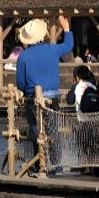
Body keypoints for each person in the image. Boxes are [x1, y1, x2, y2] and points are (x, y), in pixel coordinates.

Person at [16, 16, 73, 173]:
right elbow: (68, 46)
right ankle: (56, 164)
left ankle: (39, 164)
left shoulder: (23, 56)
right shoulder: (52, 49)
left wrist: (26, 90)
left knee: (35, 131)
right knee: (53, 130)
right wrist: (66, 29)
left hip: (32, 98)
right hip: (52, 96)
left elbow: (20, 82)